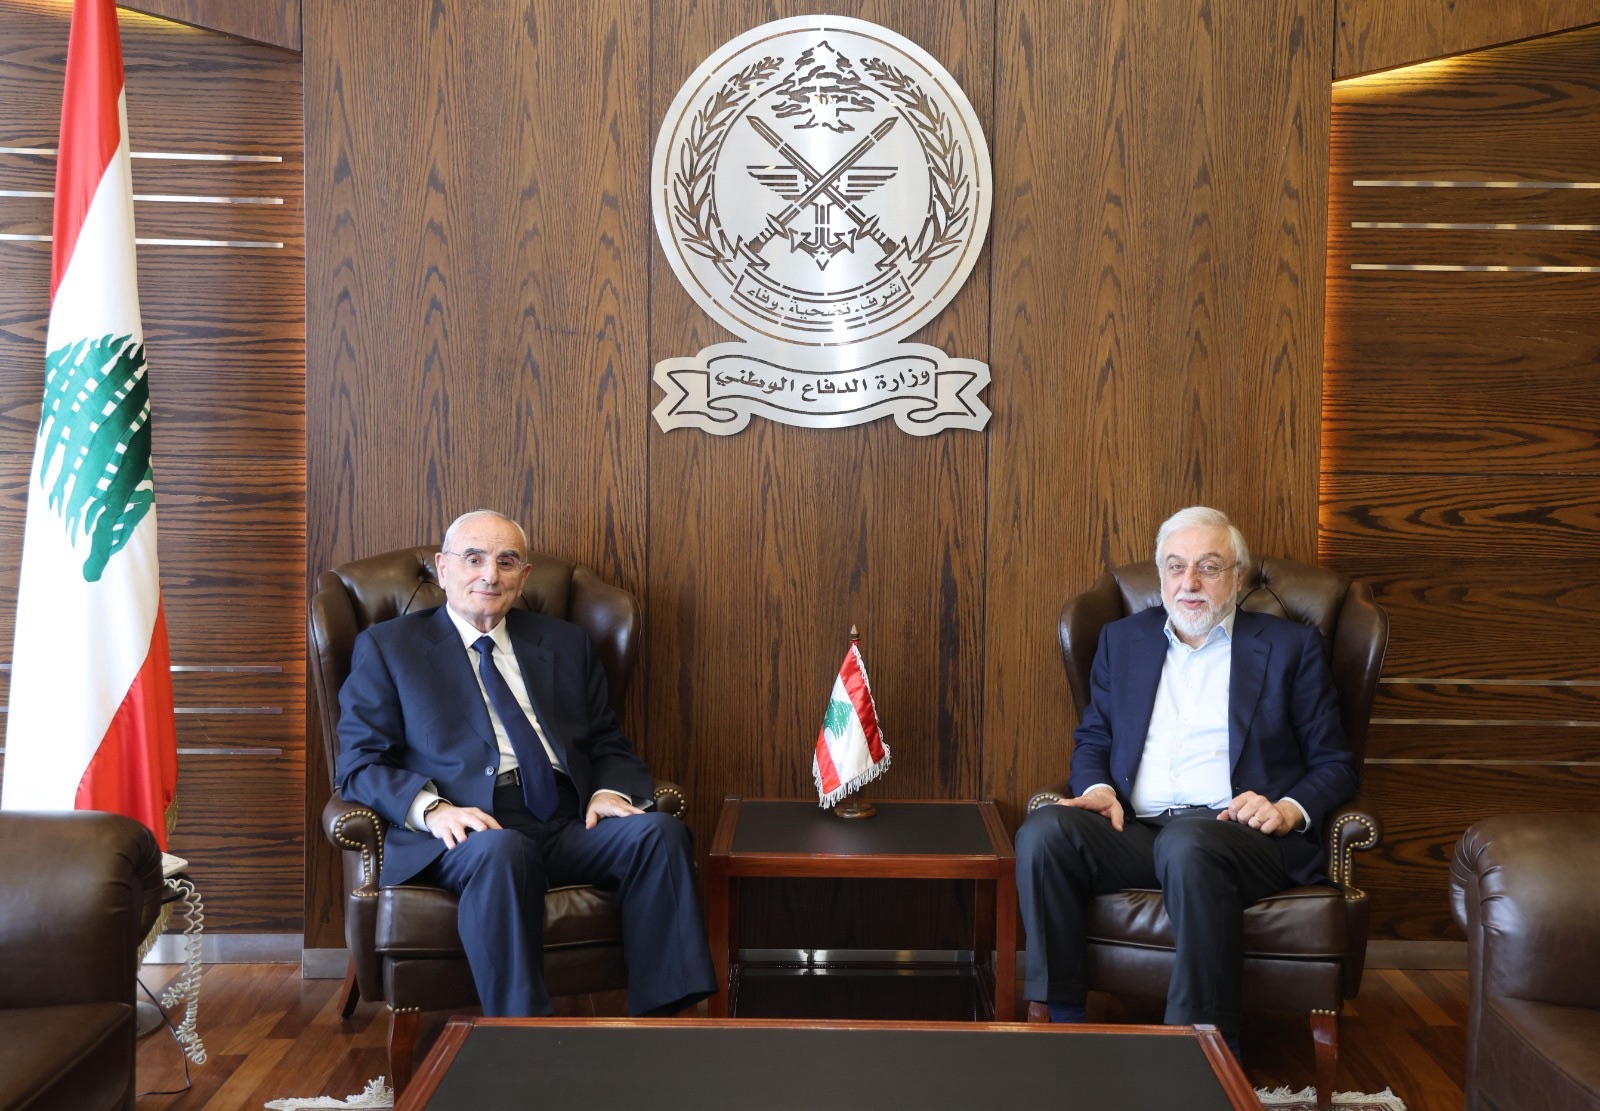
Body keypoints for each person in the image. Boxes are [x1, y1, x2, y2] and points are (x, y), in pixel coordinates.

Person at [335, 509, 716, 1018]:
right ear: (443, 568)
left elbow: (605, 739)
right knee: (503, 851)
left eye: (506, 561)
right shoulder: (389, 648)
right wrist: (433, 810)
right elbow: (359, 763)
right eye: (473, 559)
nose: (490, 575)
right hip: (469, 830)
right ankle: (523, 1038)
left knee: (660, 834)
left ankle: (662, 1027)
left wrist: (610, 790)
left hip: (568, 819)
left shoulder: (564, 643)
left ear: (524, 576)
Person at [1014, 506, 1356, 1056]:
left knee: (1188, 842)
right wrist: (1099, 790)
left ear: (1237, 578)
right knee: (1044, 832)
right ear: (1161, 575)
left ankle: (1203, 1049)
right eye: (1176, 566)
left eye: (1208, 567)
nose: (1189, 582)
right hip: (1137, 828)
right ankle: (1060, 1027)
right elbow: (1094, 738)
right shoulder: (1123, 641)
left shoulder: (1290, 647)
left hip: (1239, 835)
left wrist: (1287, 809)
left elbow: (1335, 762)